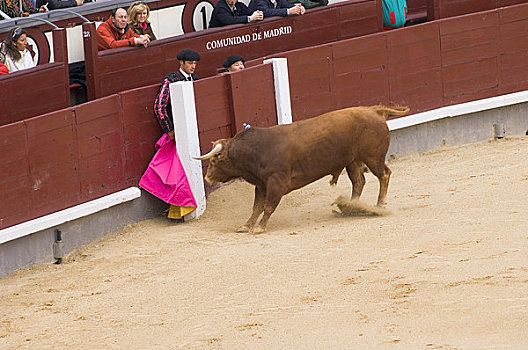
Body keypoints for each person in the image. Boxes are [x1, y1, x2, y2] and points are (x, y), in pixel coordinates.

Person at [143, 49, 202, 222]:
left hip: (193, 131)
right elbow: (159, 106)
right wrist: (169, 130)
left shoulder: (195, 79)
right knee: (176, 171)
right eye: (190, 63)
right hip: (177, 133)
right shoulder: (172, 79)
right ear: (181, 63)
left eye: (195, 64)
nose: (192, 66)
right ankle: (176, 211)